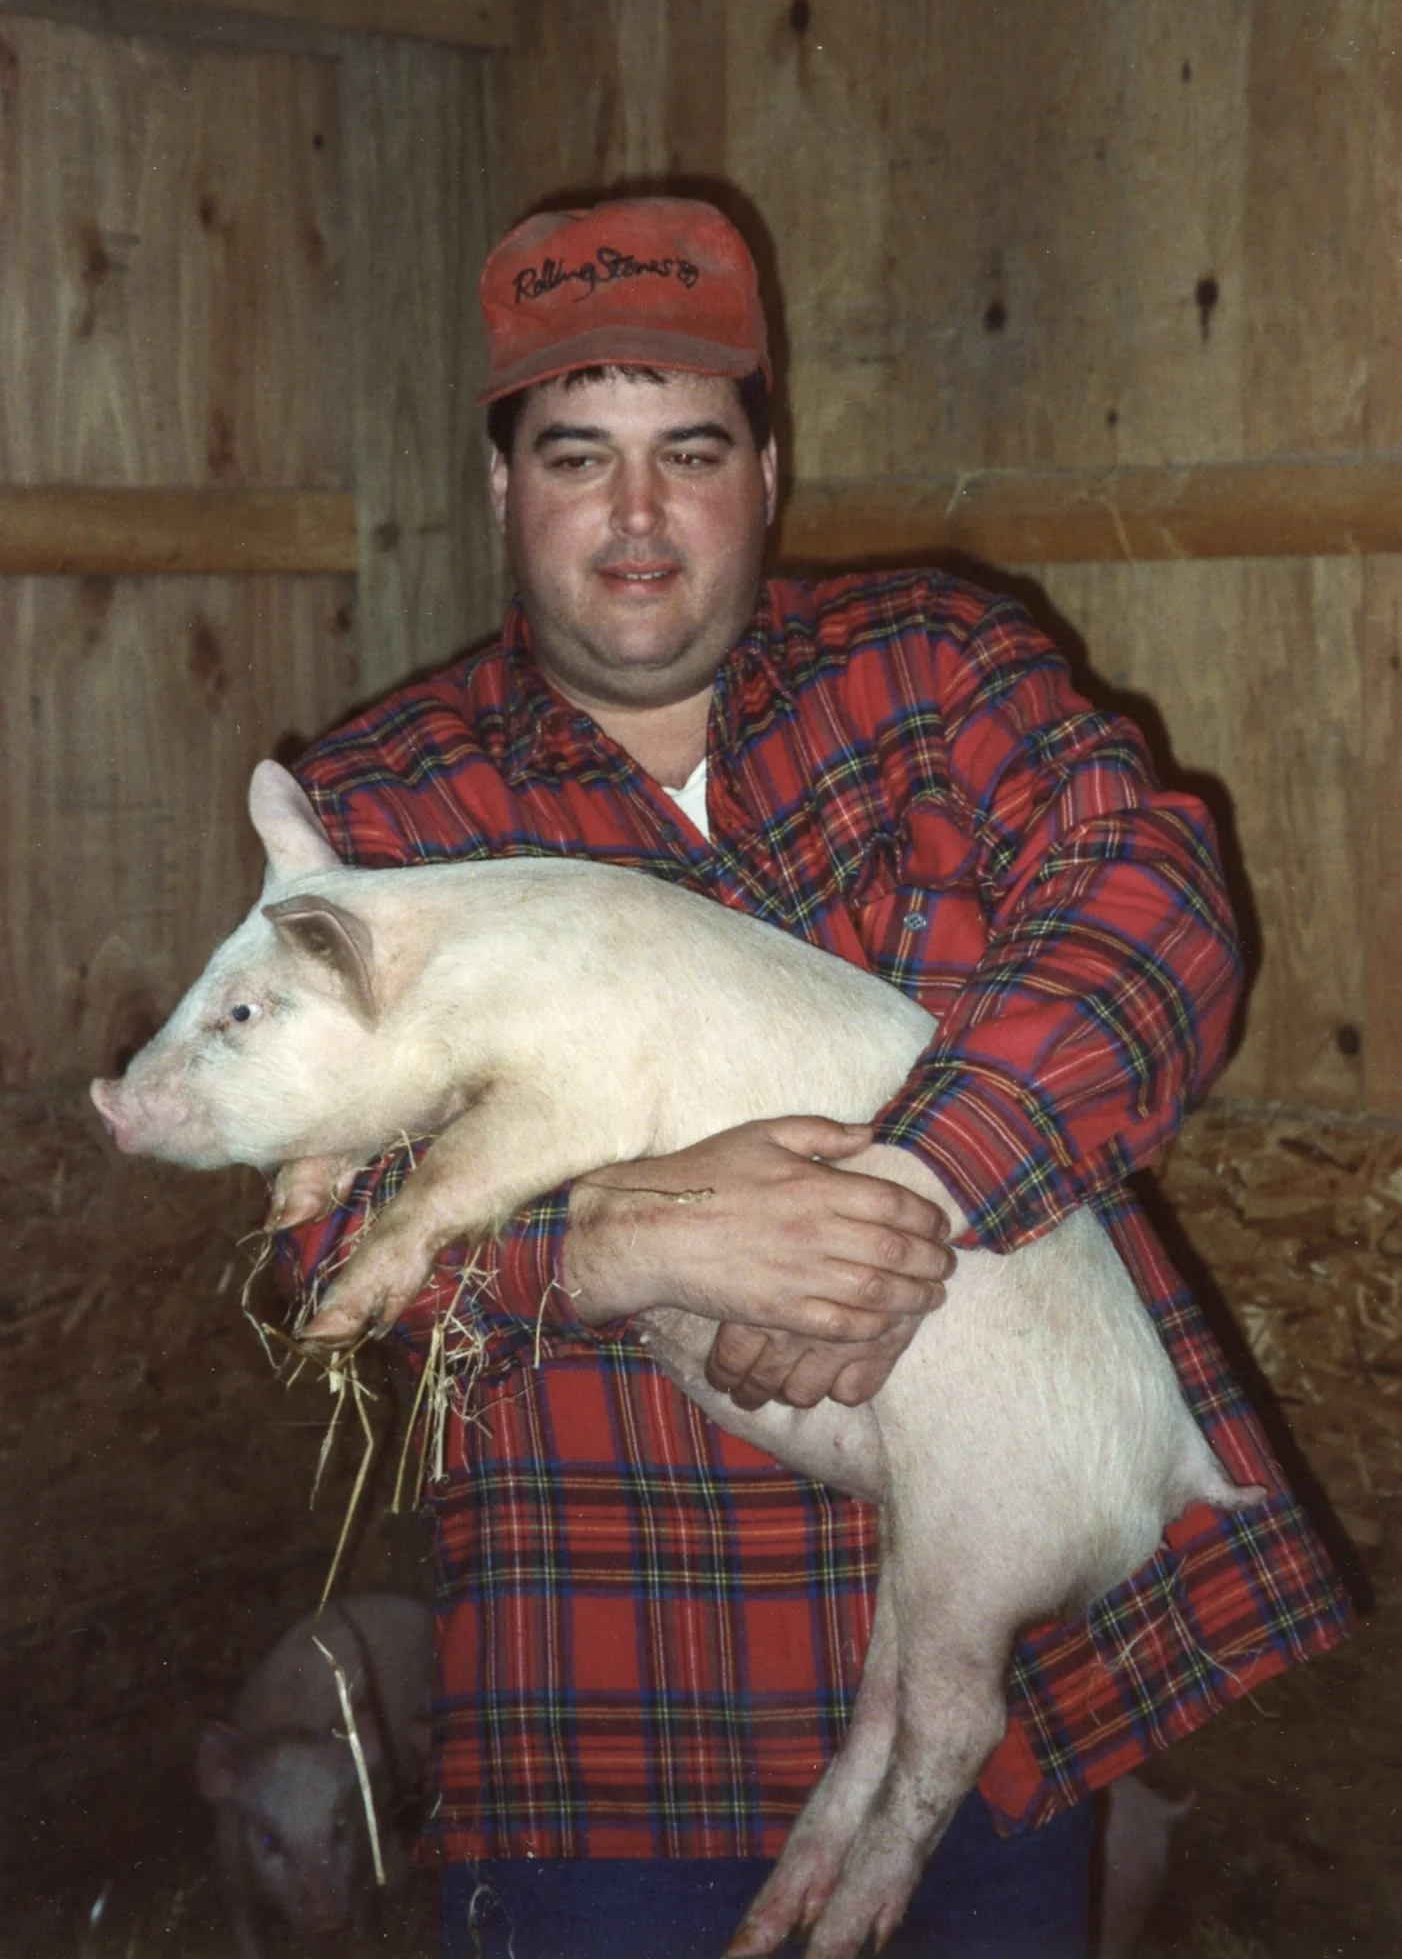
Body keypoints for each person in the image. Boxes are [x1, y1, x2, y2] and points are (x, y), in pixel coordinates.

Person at [279, 196, 1354, 1959]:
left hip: (990, 1707)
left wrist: (897, 1198)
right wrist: (631, 1252)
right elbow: (317, 1264)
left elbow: (1154, 914)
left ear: (766, 471)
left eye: (688, 449)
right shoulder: (385, 822)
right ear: (500, 491)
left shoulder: (930, 673)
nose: (635, 518)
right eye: (576, 455)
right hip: (605, 1720)